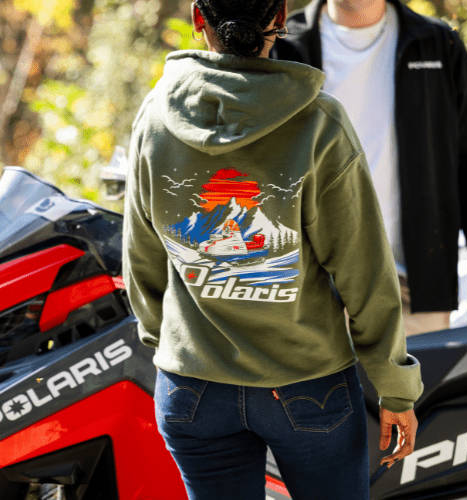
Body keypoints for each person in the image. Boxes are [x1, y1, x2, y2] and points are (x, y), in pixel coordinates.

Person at [123, 0, 423, 498]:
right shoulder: (318, 122)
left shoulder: (155, 117)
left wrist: (169, 345)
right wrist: (395, 386)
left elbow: (141, 257)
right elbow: (364, 271)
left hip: (192, 389)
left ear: (198, 18)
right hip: (308, 384)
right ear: (280, 17)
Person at [271, 0, 467, 335]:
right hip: (311, 288)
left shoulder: (437, 43)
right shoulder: (283, 46)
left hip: (415, 287)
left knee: (423, 374)